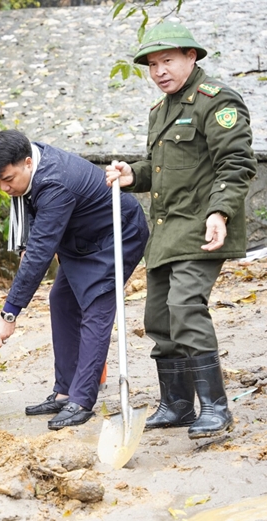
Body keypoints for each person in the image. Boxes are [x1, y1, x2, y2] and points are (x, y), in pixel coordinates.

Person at [105, 22, 256, 439]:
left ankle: (216, 408)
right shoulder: (161, 111)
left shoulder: (217, 101)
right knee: (159, 318)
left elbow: (236, 164)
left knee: (186, 306)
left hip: (202, 224)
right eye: (152, 64)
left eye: (167, 60)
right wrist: (130, 174)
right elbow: (161, 171)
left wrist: (220, 213)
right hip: (167, 232)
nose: (159, 71)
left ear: (192, 56)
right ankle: (176, 404)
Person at [0, 130, 149, 430]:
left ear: (28, 163)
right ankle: (65, 391)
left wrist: (9, 314)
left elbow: (40, 254)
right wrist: (26, 246)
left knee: (96, 307)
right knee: (61, 300)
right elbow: (35, 221)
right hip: (81, 238)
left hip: (117, 233)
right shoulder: (34, 166)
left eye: (8, 179)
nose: (4, 188)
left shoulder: (55, 182)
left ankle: (82, 400)